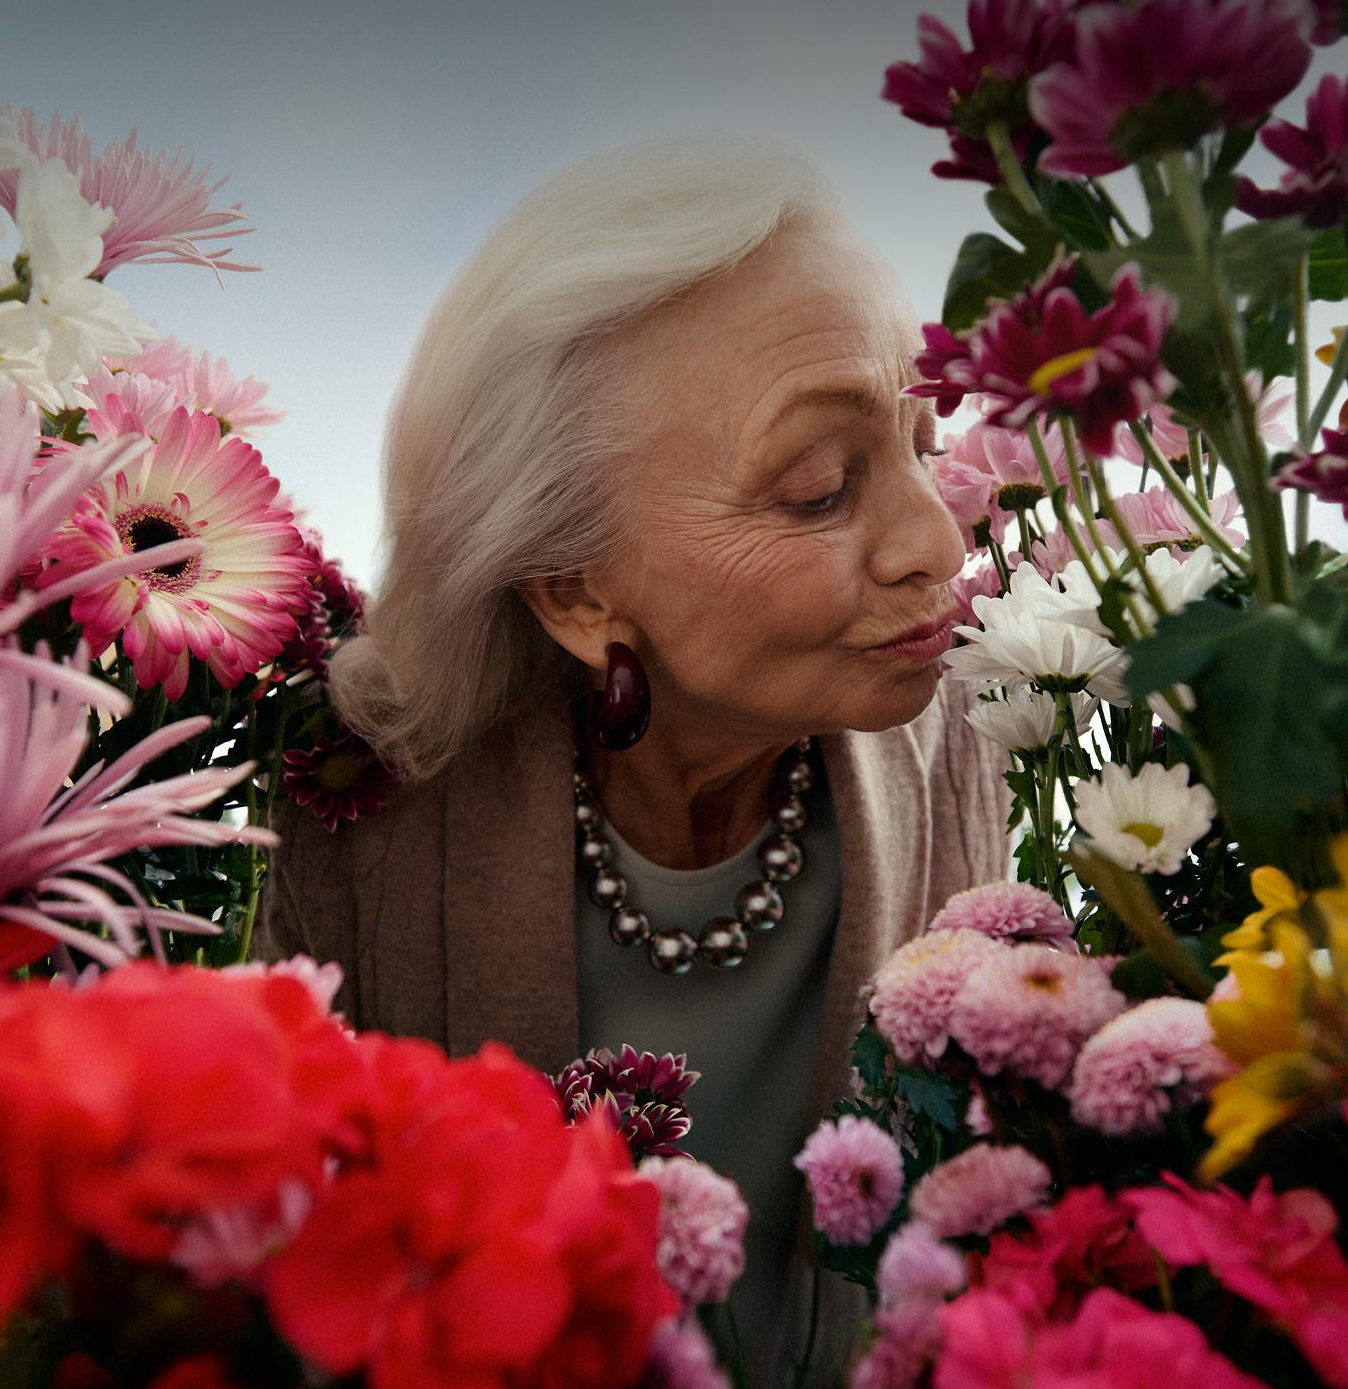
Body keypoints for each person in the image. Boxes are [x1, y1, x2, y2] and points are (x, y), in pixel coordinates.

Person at [258, 134, 1011, 1384]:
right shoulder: (348, 826)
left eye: (925, 444)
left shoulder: (956, 739)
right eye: (822, 487)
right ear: (573, 589)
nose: (937, 542)